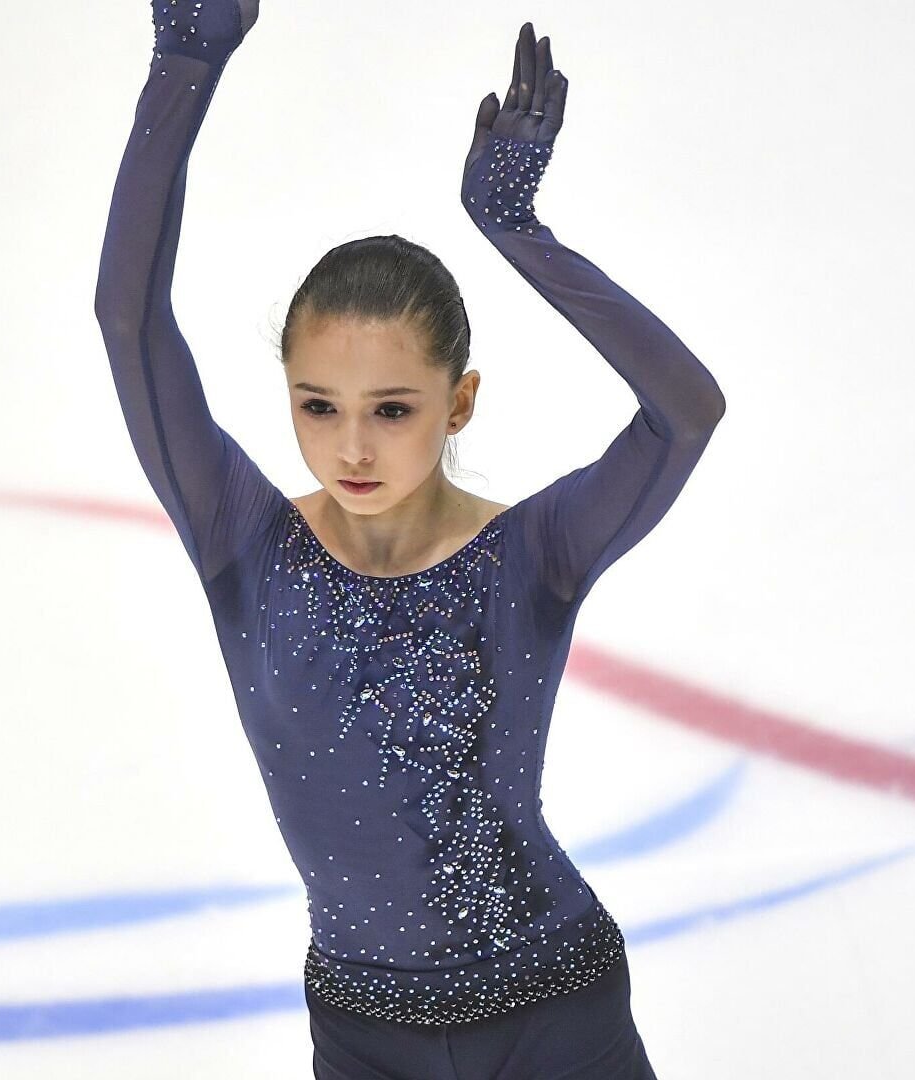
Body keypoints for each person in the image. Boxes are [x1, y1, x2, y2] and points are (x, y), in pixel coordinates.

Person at [93, 3, 724, 1076]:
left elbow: (686, 413)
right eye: (316, 405)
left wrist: (520, 231)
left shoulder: (536, 555)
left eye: (391, 408)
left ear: (458, 401)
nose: (352, 446)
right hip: (360, 1031)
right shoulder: (242, 543)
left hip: (554, 1009)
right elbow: (129, 319)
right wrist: (185, 63)